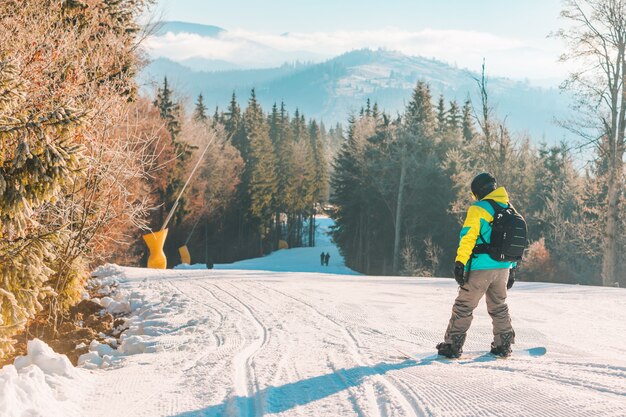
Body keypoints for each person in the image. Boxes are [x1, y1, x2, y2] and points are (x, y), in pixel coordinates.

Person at [436, 172, 516, 358]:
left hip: (481, 267)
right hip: (503, 268)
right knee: (499, 306)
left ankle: (453, 346)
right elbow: (511, 242)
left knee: (464, 305)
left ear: (478, 192)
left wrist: (460, 262)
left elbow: (468, 237)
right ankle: (503, 345)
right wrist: (511, 268)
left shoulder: (479, 208)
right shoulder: (509, 208)